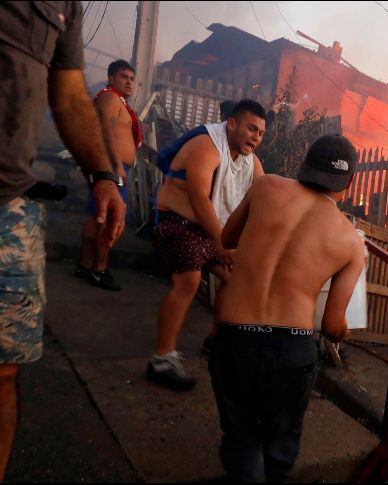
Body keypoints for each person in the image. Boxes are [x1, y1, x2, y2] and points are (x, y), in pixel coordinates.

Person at [0, 1, 126, 480]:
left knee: (4, 370)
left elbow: (69, 96)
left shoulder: (64, 5)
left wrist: (103, 175)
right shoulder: (111, 100)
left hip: (7, 207)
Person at [209, 133, 365, 482]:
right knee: (280, 451)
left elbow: (227, 239)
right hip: (291, 353)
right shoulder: (351, 242)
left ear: (304, 164)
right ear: (350, 182)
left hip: (235, 338)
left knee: (240, 440)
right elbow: (332, 326)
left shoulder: (267, 187)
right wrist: (343, 331)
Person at [148, 99, 266, 391]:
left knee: (236, 278)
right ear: (232, 124)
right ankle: (161, 359)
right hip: (176, 221)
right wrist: (222, 243)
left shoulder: (251, 162)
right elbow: (199, 197)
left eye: (261, 133)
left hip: (210, 230)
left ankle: (216, 340)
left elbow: (266, 198)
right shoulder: (207, 145)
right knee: (188, 280)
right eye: (252, 128)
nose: (256, 137)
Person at [75, 59, 142, 291]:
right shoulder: (111, 98)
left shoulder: (117, 101)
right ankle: (99, 269)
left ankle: (85, 265)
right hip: (112, 168)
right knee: (110, 220)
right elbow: (105, 130)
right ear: (111, 78)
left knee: (98, 217)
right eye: (124, 77)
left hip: (111, 167)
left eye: (132, 78)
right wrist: (116, 165)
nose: (129, 82)